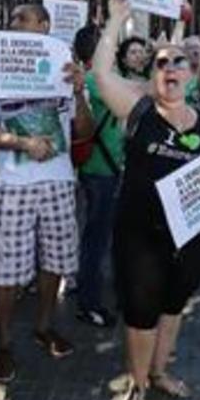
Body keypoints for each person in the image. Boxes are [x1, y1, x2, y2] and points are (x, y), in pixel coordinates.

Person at [93, 0, 200, 400]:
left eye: (179, 61)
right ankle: (137, 385)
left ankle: (159, 372)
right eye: (161, 62)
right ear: (153, 76)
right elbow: (102, 74)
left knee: (175, 304)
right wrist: (115, 20)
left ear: (190, 72)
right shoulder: (138, 109)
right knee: (141, 313)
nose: (171, 67)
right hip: (140, 235)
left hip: (193, 236)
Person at [0, 3, 95, 383]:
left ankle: (44, 327)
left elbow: (83, 131)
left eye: (22, 17)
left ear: (44, 26)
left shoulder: (65, 69)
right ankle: (5, 345)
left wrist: (79, 92)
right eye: (12, 18)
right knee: (8, 268)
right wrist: (24, 143)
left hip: (60, 181)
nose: (13, 22)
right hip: (15, 185)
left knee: (56, 260)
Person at [75, 25, 124, 328]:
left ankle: (89, 294)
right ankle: (89, 304)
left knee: (97, 236)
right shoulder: (97, 81)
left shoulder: (89, 79)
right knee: (97, 240)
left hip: (97, 169)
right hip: (102, 172)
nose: (116, 51)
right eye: (111, 47)